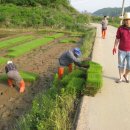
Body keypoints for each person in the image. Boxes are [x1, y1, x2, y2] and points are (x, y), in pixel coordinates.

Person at [112, 12, 130, 83]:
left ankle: (125, 75)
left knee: (129, 65)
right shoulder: (120, 28)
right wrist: (114, 47)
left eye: (128, 20)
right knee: (121, 65)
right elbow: (117, 39)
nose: (127, 21)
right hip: (121, 50)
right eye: (126, 20)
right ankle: (121, 78)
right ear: (124, 20)